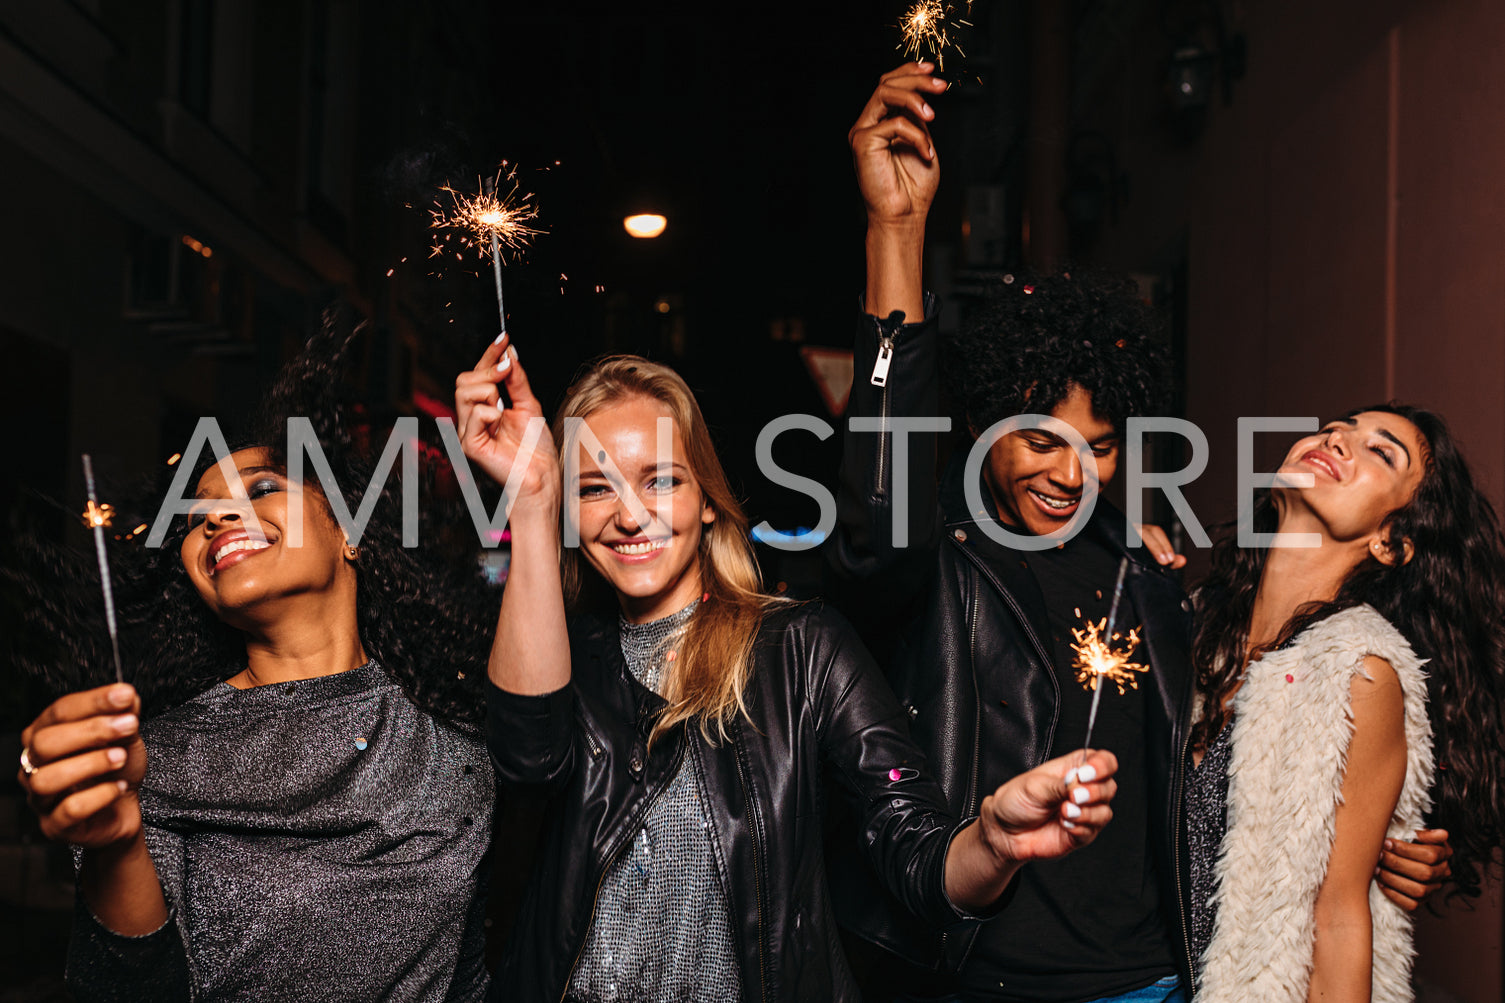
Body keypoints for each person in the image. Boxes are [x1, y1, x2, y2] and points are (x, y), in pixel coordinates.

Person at [825, 62, 1453, 1003]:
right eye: (1037, 439)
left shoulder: (1157, 579)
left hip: (1158, 982)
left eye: (1100, 447)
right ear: (981, 429)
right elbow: (876, 519)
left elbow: (1255, 775)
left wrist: (1383, 851)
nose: (1067, 473)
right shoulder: (940, 564)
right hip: (978, 978)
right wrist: (897, 231)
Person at [453, 339, 1122, 1002]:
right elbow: (528, 760)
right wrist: (533, 501)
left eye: (661, 478)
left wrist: (992, 843)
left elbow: (913, 847)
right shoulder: (561, 656)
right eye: (596, 488)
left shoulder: (801, 649)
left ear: (707, 497)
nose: (630, 513)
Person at [13, 320, 498, 1002]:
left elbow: (476, 965)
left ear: (351, 534)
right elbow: (126, 990)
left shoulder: (455, 735)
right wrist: (115, 845)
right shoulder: (160, 755)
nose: (213, 521)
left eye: (261, 488)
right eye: (192, 518)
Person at [1187, 405, 1505, 1002]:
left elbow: (1335, 920)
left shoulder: (1359, 670)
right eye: (1339, 427)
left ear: (1391, 541)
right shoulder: (1190, 623)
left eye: (1382, 451)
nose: (1337, 438)